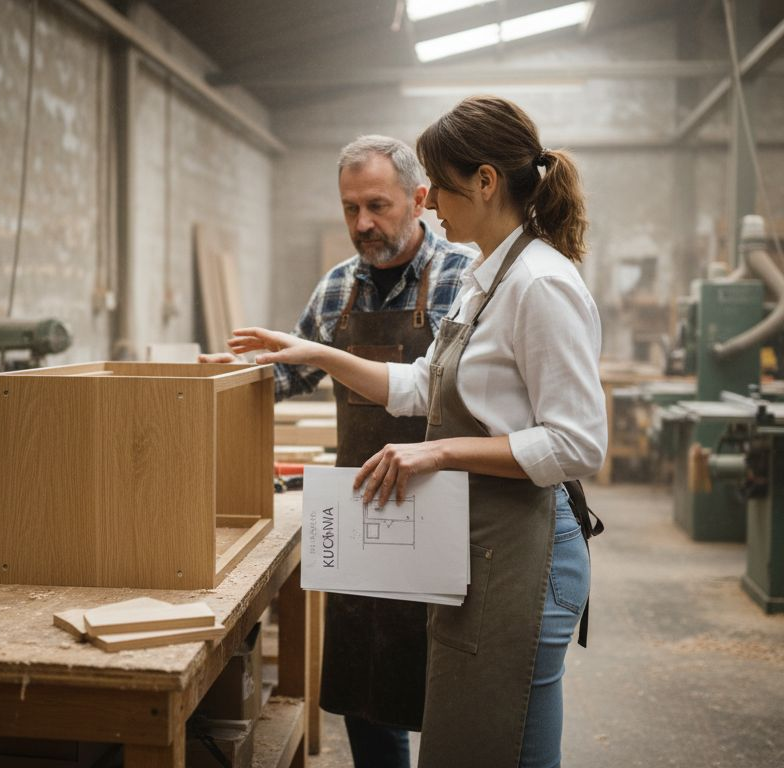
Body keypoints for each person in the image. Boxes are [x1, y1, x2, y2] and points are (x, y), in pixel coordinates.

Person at [226, 96, 606, 767]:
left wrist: (438, 450)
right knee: (468, 745)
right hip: (479, 543)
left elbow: (577, 443)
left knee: (508, 750)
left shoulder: (540, 285)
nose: (433, 207)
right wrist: (312, 351)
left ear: (485, 182)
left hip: (530, 552)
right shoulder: (488, 280)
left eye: (441, 186)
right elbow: (417, 386)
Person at [205, 135, 473, 768]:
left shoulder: (464, 278)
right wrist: (221, 380)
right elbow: (288, 375)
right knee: (366, 679)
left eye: (377, 205)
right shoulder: (335, 290)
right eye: (350, 208)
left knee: (447, 677)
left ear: (420, 198)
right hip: (362, 509)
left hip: (446, 507)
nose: (362, 223)